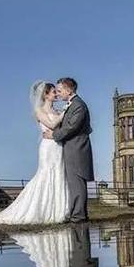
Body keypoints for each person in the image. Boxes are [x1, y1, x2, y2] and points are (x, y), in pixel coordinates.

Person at [0, 81, 69, 226]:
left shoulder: (57, 111)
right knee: (46, 175)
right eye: (53, 91)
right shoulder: (39, 111)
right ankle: (39, 211)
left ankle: (58, 211)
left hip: (58, 146)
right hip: (48, 147)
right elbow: (52, 125)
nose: (56, 94)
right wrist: (64, 113)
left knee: (59, 174)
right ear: (45, 94)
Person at [44, 78, 94, 223]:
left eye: (59, 91)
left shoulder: (78, 105)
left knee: (76, 181)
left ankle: (78, 216)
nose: (58, 94)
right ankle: (77, 213)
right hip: (73, 148)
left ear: (68, 90)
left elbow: (71, 127)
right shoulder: (72, 105)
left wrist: (53, 135)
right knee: (74, 182)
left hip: (76, 148)